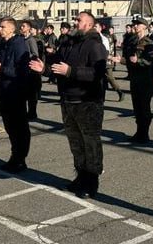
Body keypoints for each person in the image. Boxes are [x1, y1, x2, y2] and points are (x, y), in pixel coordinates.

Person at [30, 11, 107, 198]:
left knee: (90, 143)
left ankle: (91, 182)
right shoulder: (67, 43)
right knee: (75, 143)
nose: (75, 22)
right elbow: (57, 67)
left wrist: (71, 71)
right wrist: (44, 70)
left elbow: (97, 74)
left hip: (88, 102)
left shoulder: (95, 45)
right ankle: (80, 176)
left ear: (88, 25)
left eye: (79, 20)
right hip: (68, 100)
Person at [0, 17, 31, 173]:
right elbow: (0, 66)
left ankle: (20, 159)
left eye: (3, 27)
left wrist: (1, 69)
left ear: (12, 29)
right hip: (4, 89)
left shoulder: (19, 44)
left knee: (19, 128)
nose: (0, 29)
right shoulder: (3, 44)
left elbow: (21, 71)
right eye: (0, 27)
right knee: (10, 126)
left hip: (16, 90)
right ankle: (14, 156)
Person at [113, 18, 153, 143]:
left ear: (145, 27)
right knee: (137, 108)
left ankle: (144, 134)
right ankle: (139, 132)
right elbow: (131, 60)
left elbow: (150, 61)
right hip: (135, 79)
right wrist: (120, 60)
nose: (135, 26)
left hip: (145, 79)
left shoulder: (149, 43)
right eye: (134, 24)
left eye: (138, 24)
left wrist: (139, 61)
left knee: (144, 108)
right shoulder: (133, 41)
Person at [95, 22, 124, 102]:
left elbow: (107, 51)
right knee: (101, 79)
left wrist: (109, 58)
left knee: (110, 78)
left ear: (100, 28)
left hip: (106, 62)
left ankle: (120, 92)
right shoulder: (93, 38)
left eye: (96, 26)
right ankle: (101, 97)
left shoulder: (104, 38)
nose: (94, 28)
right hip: (97, 62)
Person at [21, 20, 42, 120]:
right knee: (25, 94)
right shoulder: (21, 39)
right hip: (23, 70)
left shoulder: (31, 40)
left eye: (23, 26)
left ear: (29, 28)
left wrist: (26, 57)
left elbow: (35, 54)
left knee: (32, 95)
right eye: (21, 26)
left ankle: (32, 113)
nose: (21, 28)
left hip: (31, 71)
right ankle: (26, 113)